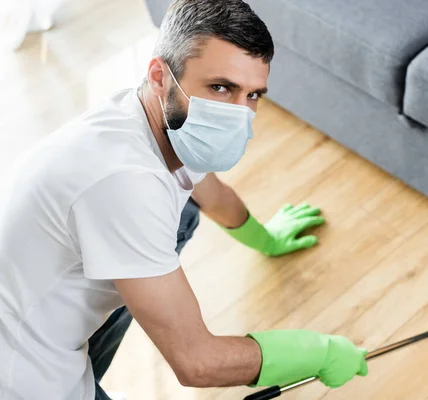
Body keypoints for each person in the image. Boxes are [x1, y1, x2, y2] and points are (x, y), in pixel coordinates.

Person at [0, 1, 369, 399]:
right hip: (20, 375)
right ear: (160, 75)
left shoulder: (157, 118)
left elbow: (210, 194)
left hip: (41, 304)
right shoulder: (124, 183)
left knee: (183, 215)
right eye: (221, 88)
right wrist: (317, 352)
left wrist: (266, 239)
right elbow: (197, 362)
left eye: (254, 94)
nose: (239, 115)